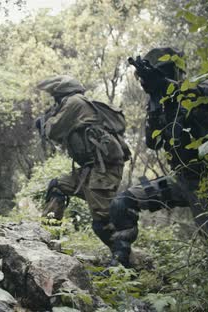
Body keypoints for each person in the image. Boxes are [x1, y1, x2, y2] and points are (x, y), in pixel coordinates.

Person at [109, 47, 208, 267]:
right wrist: (158, 103)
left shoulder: (198, 88)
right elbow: (152, 142)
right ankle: (121, 265)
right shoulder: (159, 103)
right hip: (182, 180)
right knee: (122, 202)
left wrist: (172, 89)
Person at [35, 75, 130, 261]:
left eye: (54, 95)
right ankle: (46, 239)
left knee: (103, 221)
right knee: (57, 186)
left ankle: (125, 261)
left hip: (104, 170)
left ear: (60, 92)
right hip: (91, 169)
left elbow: (52, 130)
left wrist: (45, 121)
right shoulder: (76, 103)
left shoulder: (74, 102)